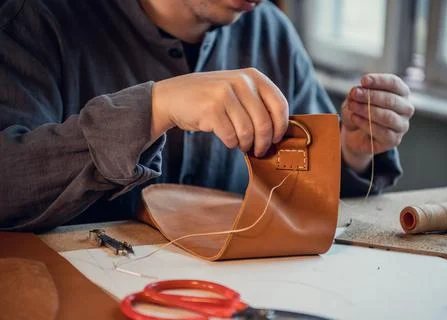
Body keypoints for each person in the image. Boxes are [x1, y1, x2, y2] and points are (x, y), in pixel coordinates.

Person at [0, 0, 414, 231]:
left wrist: (353, 150)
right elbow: (9, 183)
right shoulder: (37, 18)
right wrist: (155, 107)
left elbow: (310, 195)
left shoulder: (270, 30)